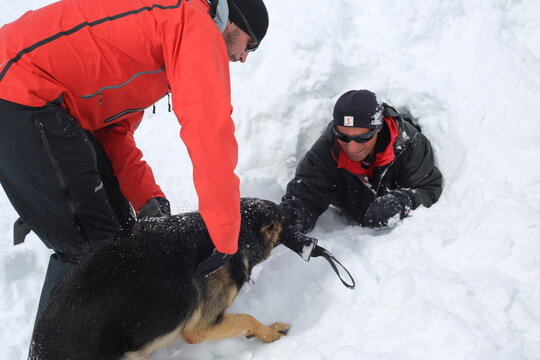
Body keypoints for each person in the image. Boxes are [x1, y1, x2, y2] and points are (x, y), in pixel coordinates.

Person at [0, 0, 269, 320]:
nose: (243, 57)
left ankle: (118, 337)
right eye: (249, 45)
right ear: (231, 24)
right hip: (20, 88)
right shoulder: (192, 24)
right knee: (93, 252)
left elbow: (112, 132)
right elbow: (210, 132)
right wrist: (224, 237)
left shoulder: (167, 30)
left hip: (45, 101)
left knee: (122, 236)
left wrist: (147, 198)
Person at [281, 89, 443, 233]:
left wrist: (401, 201)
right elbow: (306, 194)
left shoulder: (409, 144)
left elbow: (429, 188)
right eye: (343, 136)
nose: (352, 147)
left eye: (362, 137)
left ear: (378, 129)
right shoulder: (328, 147)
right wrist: (284, 221)